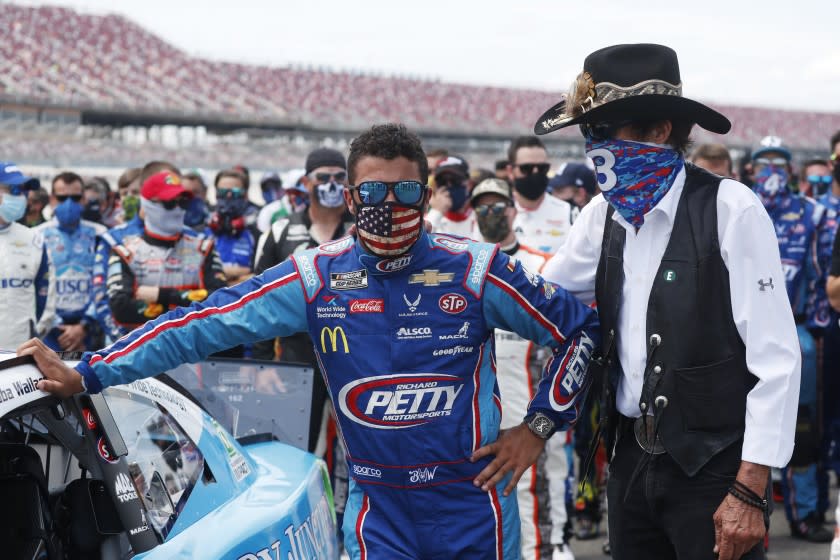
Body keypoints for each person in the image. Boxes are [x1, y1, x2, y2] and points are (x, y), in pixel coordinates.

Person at [21, 123, 600, 560]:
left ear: (425, 196)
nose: (390, 207)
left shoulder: (478, 270)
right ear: (349, 198)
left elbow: (582, 328)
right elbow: (202, 324)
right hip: (380, 513)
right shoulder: (315, 276)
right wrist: (91, 372)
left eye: (405, 192)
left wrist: (539, 427)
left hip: (472, 502)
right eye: (374, 193)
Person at [536, 43, 800, 560]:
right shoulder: (599, 215)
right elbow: (544, 294)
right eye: (589, 134)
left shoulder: (731, 208)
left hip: (715, 465)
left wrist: (749, 487)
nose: (595, 148)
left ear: (659, 132)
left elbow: (777, 360)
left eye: (605, 132)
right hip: (630, 457)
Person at [471, 176, 574, 560]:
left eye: (499, 205)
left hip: (531, 412)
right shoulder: (463, 265)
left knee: (537, 508)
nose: (492, 213)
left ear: (514, 210)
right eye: (483, 207)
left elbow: (574, 331)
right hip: (478, 415)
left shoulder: (543, 265)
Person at [749, 135, 833, 542]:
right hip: (742, 333)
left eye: (778, 164)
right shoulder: (736, 207)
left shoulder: (813, 214)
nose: (771, 173)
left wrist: (815, 330)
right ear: (750, 168)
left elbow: (821, 278)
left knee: (802, 430)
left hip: (797, 329)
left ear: (790, 168)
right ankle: (753, 520)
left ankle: (806, 515)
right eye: (762, 164)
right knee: (744, 429)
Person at [105, 171, 226, 337]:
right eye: (169, 203)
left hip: (195, 352)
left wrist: (160, 295)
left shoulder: (204, 248)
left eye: (182, 202)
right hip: (143, 353)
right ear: (147, 205)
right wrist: (187, 302)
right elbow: (121, 310)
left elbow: (220, 301)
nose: (177, 209)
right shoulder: (125, 252)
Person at [34, 172, 106, 352]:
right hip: (49, 331)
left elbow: (105, 285)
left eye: (75, 197)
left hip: (91, 329)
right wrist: (57, 326)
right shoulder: (36, 236)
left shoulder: (101, 234)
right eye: (62, 197)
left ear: (83, 199)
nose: (69, 203)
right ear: (52, 199)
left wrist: (83, 327)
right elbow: (33, 286)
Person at [0, 162, 55, 350]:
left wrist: (33, 334)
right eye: (14, 190)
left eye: (24, 191)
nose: (22, 197)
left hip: (19, 354)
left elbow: (46, 296)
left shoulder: (34, 239)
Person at [507, 136, 574, 254]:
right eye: (526, 168)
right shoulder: (496, 214)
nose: (535, 173)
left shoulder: (570, 213)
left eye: (542, 168)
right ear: (510, 171)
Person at [207, 169, 258, 287]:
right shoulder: (202, 232)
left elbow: (258, 277)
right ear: (215, 194)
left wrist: (217, 276)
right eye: (223, 192)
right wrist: (241, 273)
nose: (228, 197)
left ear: (245, 196)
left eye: (235, 192)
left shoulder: (256, 235)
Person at [426, 155, 476, 237]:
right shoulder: (429, 218)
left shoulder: (481, 217)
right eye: (442, 181)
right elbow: (420, 242)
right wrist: (437, 211)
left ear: (469, 184)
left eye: (455, 180)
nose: (449, 185)